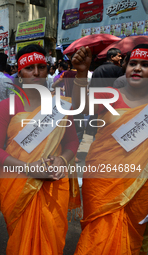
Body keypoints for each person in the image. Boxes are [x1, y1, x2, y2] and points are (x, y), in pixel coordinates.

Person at [0, 44, 80, 255]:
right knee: (21, 242)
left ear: (48, 70)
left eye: (41, 67)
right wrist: (29, 169)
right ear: (19, 73)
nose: (36, 73)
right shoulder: (6, 107)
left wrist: (63, 161)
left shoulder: (61, 105)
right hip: (19, 181)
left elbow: (72, 142)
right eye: (29, 68)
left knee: (52, 239)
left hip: (55, 182)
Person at [72, 44, 148, 254]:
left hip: (140, 185)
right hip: (101, 180)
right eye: (133, 63)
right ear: (125, 67)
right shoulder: (110, 95)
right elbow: (79, 107)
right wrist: (80, 73)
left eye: (145, 64)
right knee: (98, 236)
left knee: (130, 239)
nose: (138, 68)